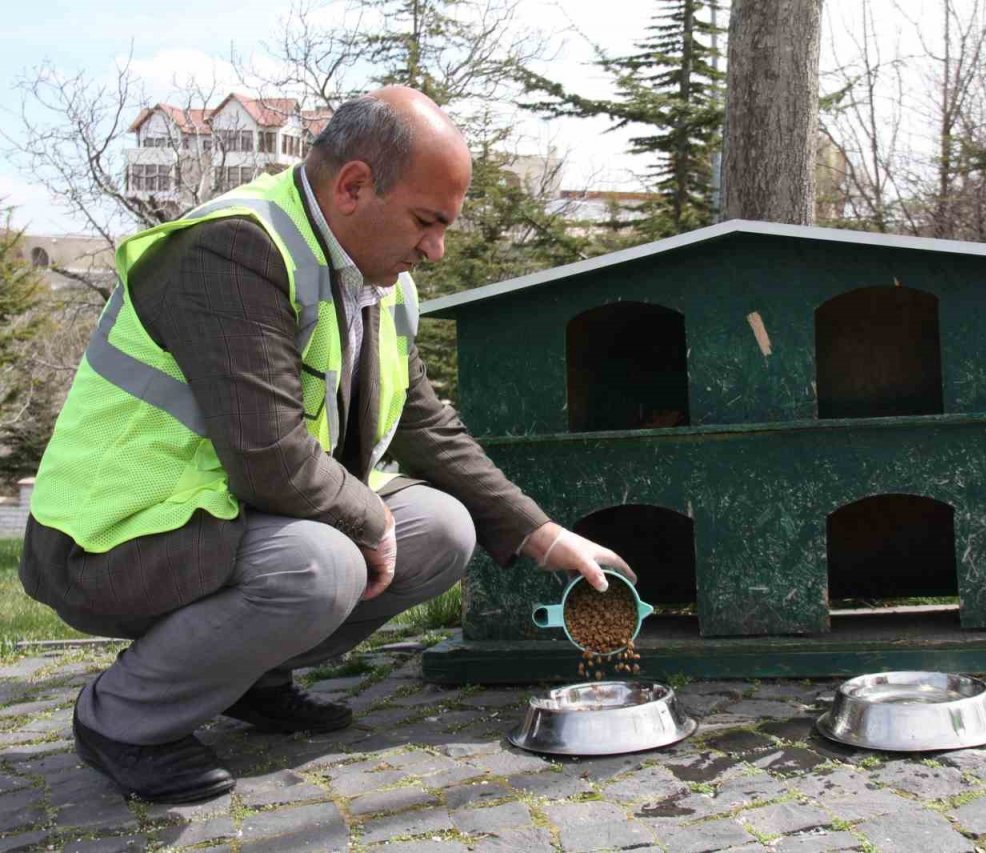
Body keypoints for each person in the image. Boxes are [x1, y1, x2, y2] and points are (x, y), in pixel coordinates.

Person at [19, 86, 633, 804]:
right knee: (322, 564)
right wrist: (369, 519)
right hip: (112, 539)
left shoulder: (375, 278)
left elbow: (426, 424)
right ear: (353, 186)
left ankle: (249, 677)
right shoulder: (232, 248)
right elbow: (269, 456)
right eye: (427, 221)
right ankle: (121, 718)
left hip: (222, 521)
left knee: (442, 530)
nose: (435, 250)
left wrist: (542, 533)